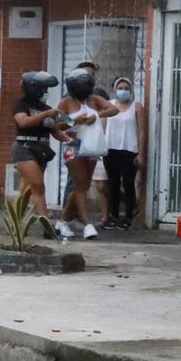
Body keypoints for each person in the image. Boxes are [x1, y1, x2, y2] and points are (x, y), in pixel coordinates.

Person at [55, 68, 119, 239]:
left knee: (81, 185)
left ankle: (62, 222)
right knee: (81, 185)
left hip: (91, 145)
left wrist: (97, 115)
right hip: (73, 145)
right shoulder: (66, 102)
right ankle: (88, 225)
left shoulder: (94, 99)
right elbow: (58, 123)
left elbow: (113, 109)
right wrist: (75, 120)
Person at [10, 71, 68, 222]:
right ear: (33, 89)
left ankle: (15, 220)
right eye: (43, 89)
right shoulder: (21, 105)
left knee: (28, 189)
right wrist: (46, 114)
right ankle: (44, 221)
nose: (46, 92)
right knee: (38, 185)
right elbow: (23, 122)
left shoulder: (47, 107)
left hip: (41, 149)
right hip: (25, 147)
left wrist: (74, 123)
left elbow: (56, 128)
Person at [100, 77, 142, 231]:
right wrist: (101, 147)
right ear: (115, 89)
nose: (123, 90)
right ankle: (114, 216)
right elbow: (104, 128)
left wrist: (141, 153)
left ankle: (128, 216)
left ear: (130, 90)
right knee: (113, 183)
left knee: (128, 183)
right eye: (120, 87)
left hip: (129, 149)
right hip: (110, 149)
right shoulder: (109, 105)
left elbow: (141, 130)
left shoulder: (136, 107)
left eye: (126, 88)